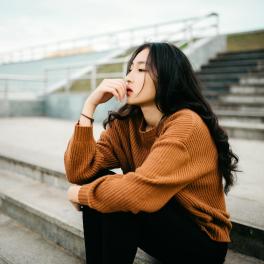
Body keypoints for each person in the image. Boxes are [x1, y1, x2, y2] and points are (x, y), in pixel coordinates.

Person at [64, 42, 239, 264]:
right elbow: (80, 172)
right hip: (160, 224)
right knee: (105, 186)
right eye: (130, 69)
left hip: (201, 241)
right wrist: (89, 106)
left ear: (168, 76)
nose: (129, 77)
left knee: (120, 195)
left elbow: (139, 191)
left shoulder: (186, 124)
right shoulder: (127, 123)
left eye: (141, 69)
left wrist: (80, 194)